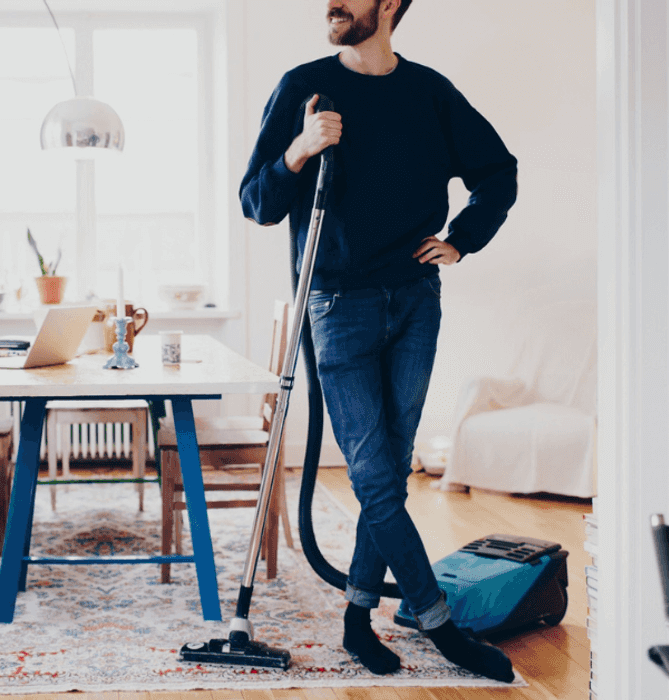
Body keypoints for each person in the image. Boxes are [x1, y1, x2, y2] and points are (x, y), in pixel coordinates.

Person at [240, 0, 519, 682]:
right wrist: (300, 149)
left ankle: (356, 618)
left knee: (388, 474)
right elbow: (257, 202)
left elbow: (498, 172)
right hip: (337, 304)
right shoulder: (304, 87)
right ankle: (440, 624)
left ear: (389, 4)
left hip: (415, 300)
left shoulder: (430, 93)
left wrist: (461, 240)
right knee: (374, 477)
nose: (332, 2)